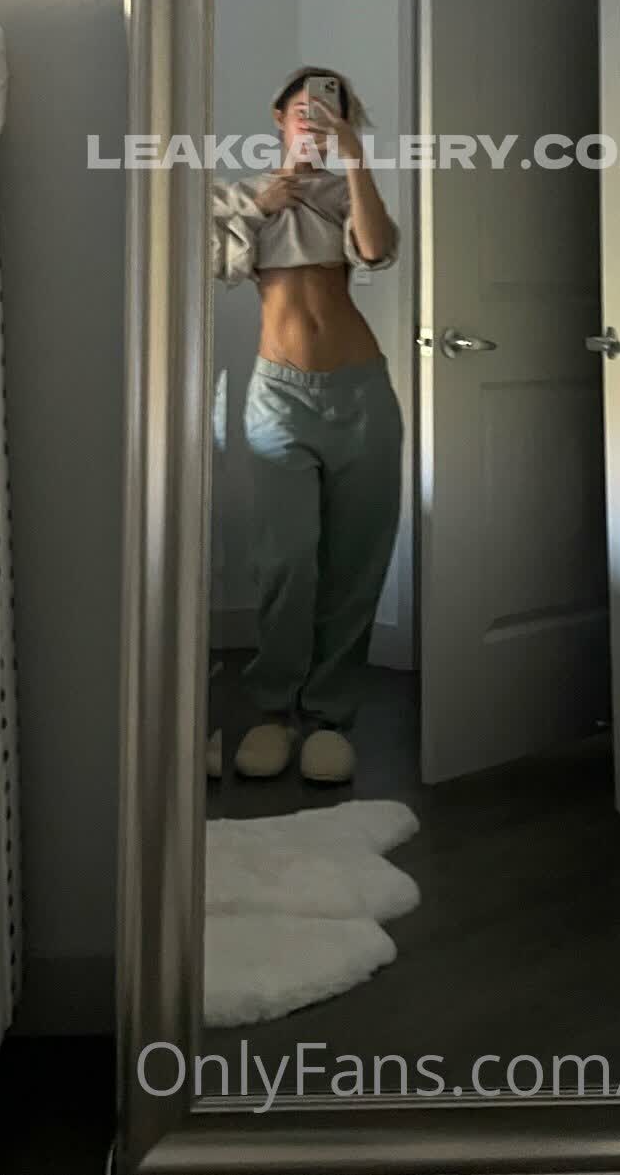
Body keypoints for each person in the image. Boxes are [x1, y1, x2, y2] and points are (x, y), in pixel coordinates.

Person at [209, 67, 402, 785]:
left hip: (361, 394)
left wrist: (355, 161)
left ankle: (329, 715)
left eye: (330, 109)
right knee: (286, 559)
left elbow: (376, 249)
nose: (314, 117)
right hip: (279, 397)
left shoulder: (349, 191)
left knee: (356, 561)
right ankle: (272, 708)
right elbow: (204, 263)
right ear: (279, 117)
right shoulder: (239, 195)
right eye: (302, 108)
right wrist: (260, 203)